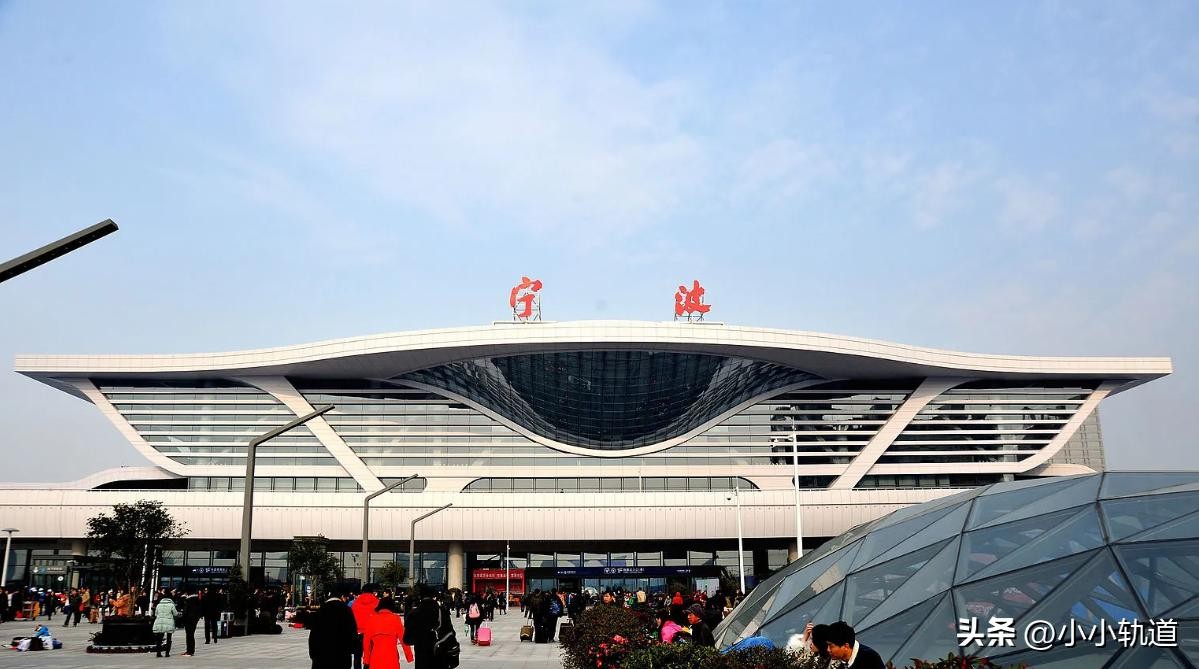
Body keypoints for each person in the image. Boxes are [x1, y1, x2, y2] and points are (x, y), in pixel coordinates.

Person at [404, 585, 457, 669]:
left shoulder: (413, 614)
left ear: (420, 597)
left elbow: (407, 640)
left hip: (422, 659)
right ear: (434, 597)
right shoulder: (442, 611)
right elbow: (451, 633)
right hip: (441, 657)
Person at [309, 589, 358, 669]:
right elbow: (352, 632)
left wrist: (313, 654)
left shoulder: (321, 610)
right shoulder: (346, 610)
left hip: (321, 654)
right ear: (342, 597)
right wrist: (351, 649)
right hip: (341, 654)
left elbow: (313, 634)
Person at [364, 598, 414, 669]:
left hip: (376, 657)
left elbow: (366, 642)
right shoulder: (396, 619)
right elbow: (403, 639)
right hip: (392, 656)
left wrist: (366, 660)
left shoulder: (372, 619)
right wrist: (409, 656)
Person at [350, 584, 381, 669]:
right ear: (372, 592)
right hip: (372, 634)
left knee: (357, 656)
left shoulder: (355, 603)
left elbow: (352, 618)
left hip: (358, 633)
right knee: (369, 655)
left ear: (362, 591)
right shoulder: (377, 602)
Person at [152, 593, 178, 658]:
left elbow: (155, 614)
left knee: (159, 639)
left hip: (159, 622)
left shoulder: (158, 605)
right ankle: (167, 653)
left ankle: (158, 653)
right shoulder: (171, 605)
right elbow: (175, 614)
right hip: (169, 622)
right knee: (169, 638)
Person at [180, 587, 202, 656]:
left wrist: (183, 618)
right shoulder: (197, 599)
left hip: (188, 619)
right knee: (191, 634)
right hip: (195, 619)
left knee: (189, 635)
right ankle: (191, 650)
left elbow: (185, 611)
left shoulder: (188, 600)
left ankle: (189, 651)